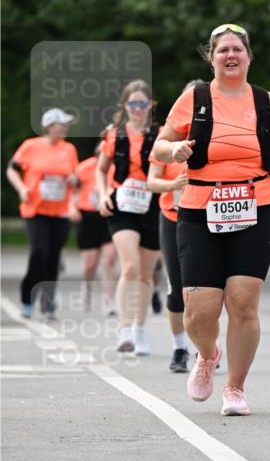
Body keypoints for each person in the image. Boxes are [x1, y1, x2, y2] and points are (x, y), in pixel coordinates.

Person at [153, 23, 270, 415]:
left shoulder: (264, 100)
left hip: (256, 207)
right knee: (199, 310)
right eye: (223, 50)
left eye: (238, 49)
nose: (231, 56)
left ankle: (235, 389)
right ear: (212, 57)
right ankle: (207, 354)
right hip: (200, 209)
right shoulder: (194, 98)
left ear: (249, 57)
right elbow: (160, 146)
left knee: (243, 303)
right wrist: (175, 151)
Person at [96, 80, 160, 354]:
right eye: (132, 103)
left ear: (150, 106)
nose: (137, 108)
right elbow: (101, 170)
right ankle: (124, 329)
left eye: (142, 103)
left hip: (152, 205)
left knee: (146, 274)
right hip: (122, 206)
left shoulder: (161, 135)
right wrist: (102, 195)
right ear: (125, 106)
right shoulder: (113, 135)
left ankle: (139, 328)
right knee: (130, 267)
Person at [147, 82, 201, 373]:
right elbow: (151, 180)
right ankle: (180, 348)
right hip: (173, 217)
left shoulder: (215, 133)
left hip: (207, 219)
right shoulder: (166, 140)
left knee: (208, 289)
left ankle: (206, 349)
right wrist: (173, 185)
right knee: (177, 288)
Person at [6, 108, 79, 319]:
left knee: (53, 257)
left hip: (60, 211)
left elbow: (74, 179)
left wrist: (74, 184)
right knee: (39, 252)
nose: (65, 128)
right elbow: (12, 169)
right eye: (61, 124)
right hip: (35, 209)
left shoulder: (69, 149)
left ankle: (48, 305)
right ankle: (27, 298)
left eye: (66, 124)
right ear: (49, 126)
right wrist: (21, 188)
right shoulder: (31, 146)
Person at [72, 141, 117, 315]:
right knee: (90, 263)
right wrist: (72, 207)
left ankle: (108, 301)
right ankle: (87, 286)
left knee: (109, 259)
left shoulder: (116, 167)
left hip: (108, 215)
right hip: (88, 216)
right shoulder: (85, 167)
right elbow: (73, 189)